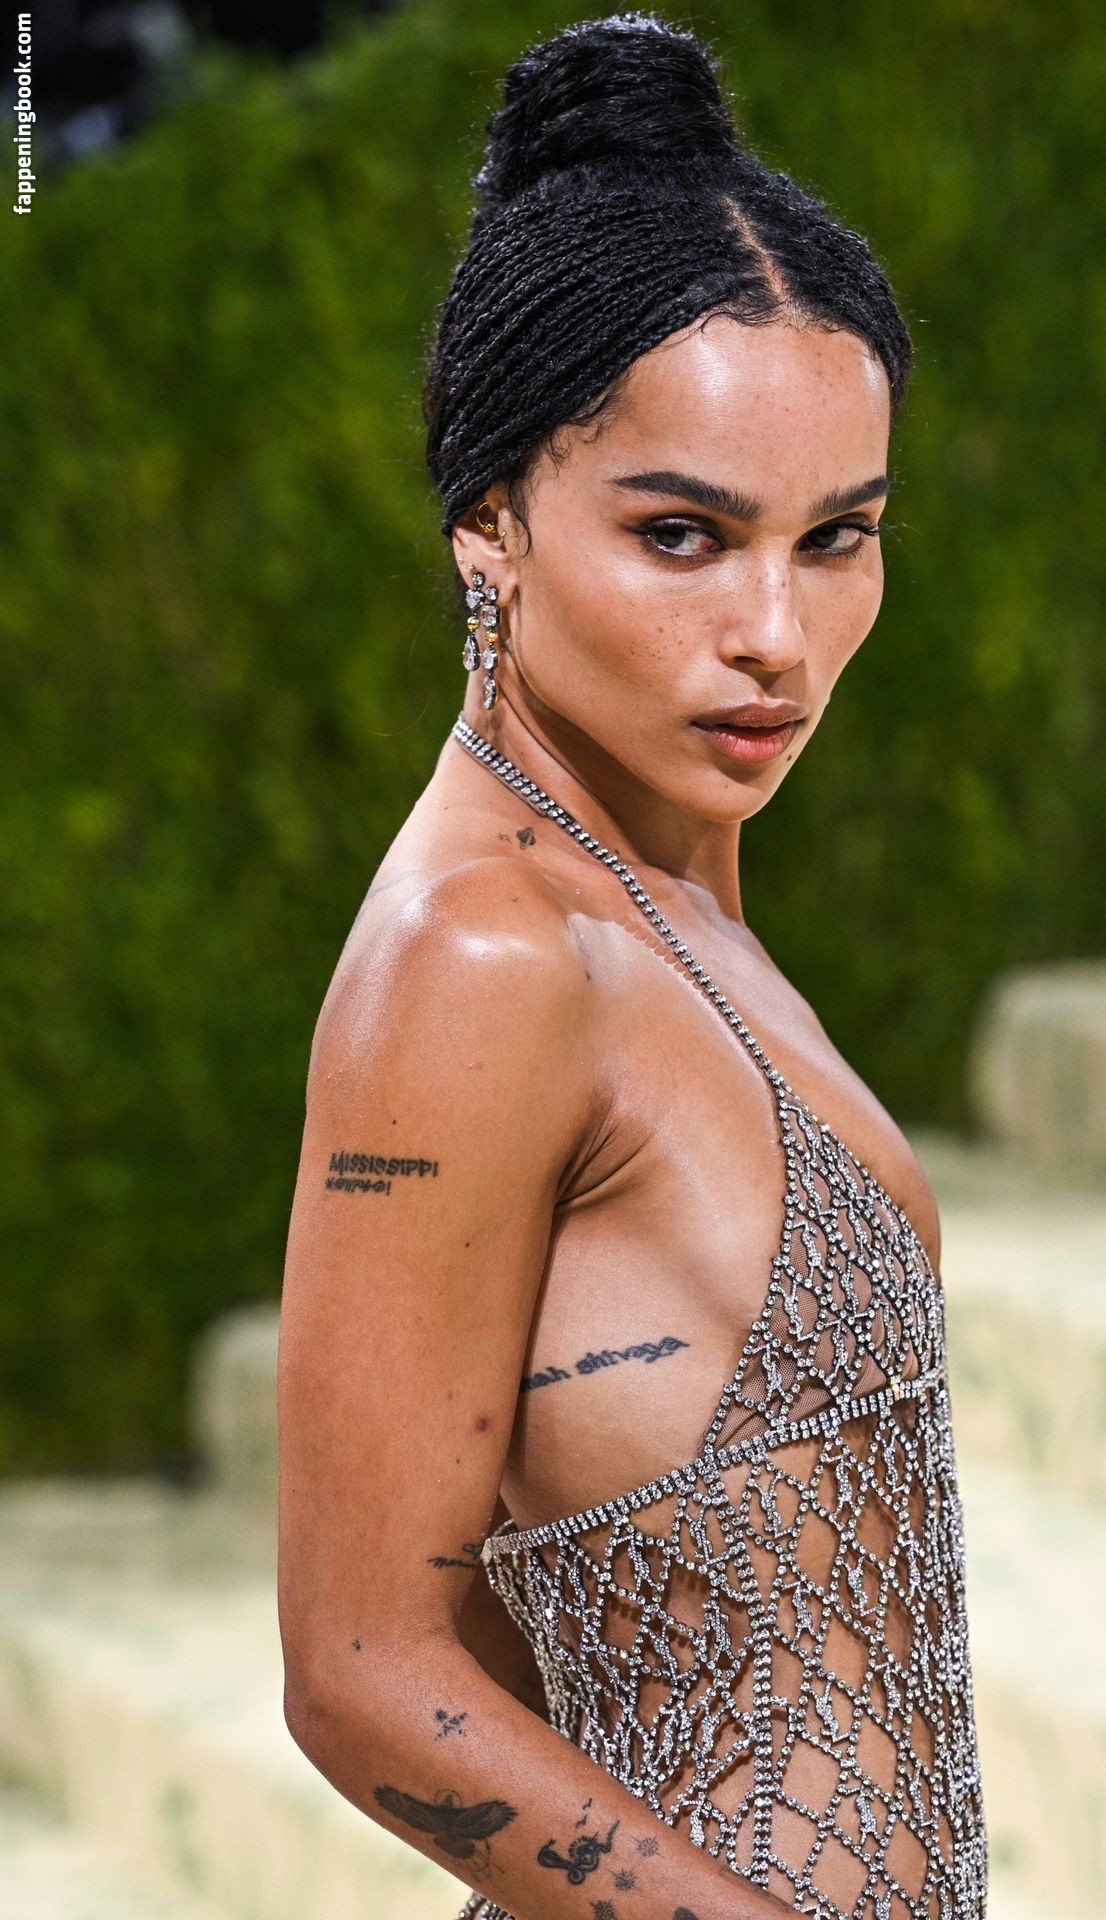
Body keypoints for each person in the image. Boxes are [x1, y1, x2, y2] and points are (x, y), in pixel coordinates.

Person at [276, 12, 988, 1920]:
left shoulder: (665, 889)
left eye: (836, 540)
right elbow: (360, 1666)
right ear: (489, 524)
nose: (776, 636)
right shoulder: (488, 955)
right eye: (683, 537)